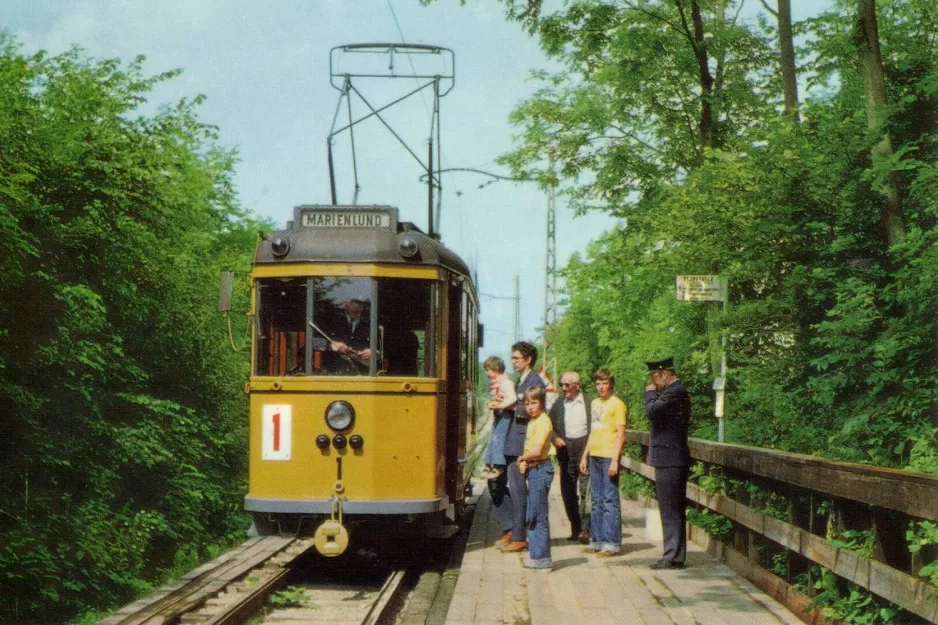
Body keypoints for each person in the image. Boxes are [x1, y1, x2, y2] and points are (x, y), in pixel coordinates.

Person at [644, 357, 692, 570]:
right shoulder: (676, 392)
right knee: (673, 507)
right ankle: (675, 555)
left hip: (670, 458)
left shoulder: (675, 392)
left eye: (655, 377)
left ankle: (672, 555)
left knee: (670, 508)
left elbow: (651, 412)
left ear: (664, 374)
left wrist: (649, 394)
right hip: (672, 457)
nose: (654, 383)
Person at [499, 341, 544, 553]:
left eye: (517, 358)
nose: (513, 362)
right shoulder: (521, 381)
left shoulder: (535, 382)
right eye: (513, 358)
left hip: (521, 442)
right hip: (514, 440)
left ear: (528, 360)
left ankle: (519, 536)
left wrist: (512, 405)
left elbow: (534, 410)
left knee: (518, 490)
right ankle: (516, 531)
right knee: (514, 489)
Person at [579, 368, 627, 557]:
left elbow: (621, 435)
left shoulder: (617, 404)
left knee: (609, 500)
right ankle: (596, 540)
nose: (601, 387)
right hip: (595, 455)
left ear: (611, 384)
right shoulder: (595, 403)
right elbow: (593, 430)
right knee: (596, 500)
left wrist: (615, 460)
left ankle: (612, 542)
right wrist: (585, 455)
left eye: (604, 383)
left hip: (609, 456)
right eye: (598, 384)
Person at [548, 371, 592, 543]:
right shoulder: (559, 403)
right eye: (561, 384)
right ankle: (575, 527)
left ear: (577, 385)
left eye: (567, 385)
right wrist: (554, 438)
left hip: (584, 448)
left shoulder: (589, 402)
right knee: (567, 491)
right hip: (565, 450)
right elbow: (548, 425)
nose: (563, 388)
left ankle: (585, 529)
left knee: (585, 490)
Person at [516, 386, 555, 570]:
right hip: (534, 469)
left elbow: (538, 450)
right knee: (533, 514)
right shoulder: (534, 421)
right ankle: (537, 555)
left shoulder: (543, 421)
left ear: (541, 402)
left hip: (540, 469)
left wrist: (523, 458)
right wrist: (525, 462)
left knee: (538, 516)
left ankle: (541, 558)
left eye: (534, 403)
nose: (530, 407)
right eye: (526, 404)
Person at [481, 356, 517, 481]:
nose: (486, 373)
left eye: (488, 370)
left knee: (498, 438)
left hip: (505, 414)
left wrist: (500, 405)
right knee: (492, 438)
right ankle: (488, 463)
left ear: (496, 369)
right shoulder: (497, 383)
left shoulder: (506, 383)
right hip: (499, 413)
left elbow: (512, 398)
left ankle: (498, 465)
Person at [328, 298, 371, 369]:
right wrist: (331, 344)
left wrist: (372, 352)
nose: (355, 307)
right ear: (346, 305)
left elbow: (382, 348)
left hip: (363, 371)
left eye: (359, 304)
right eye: (352, 303)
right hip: (335, 371)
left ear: (363, 307)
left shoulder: (370, 325)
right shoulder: (333, 321)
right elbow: (313, 341)